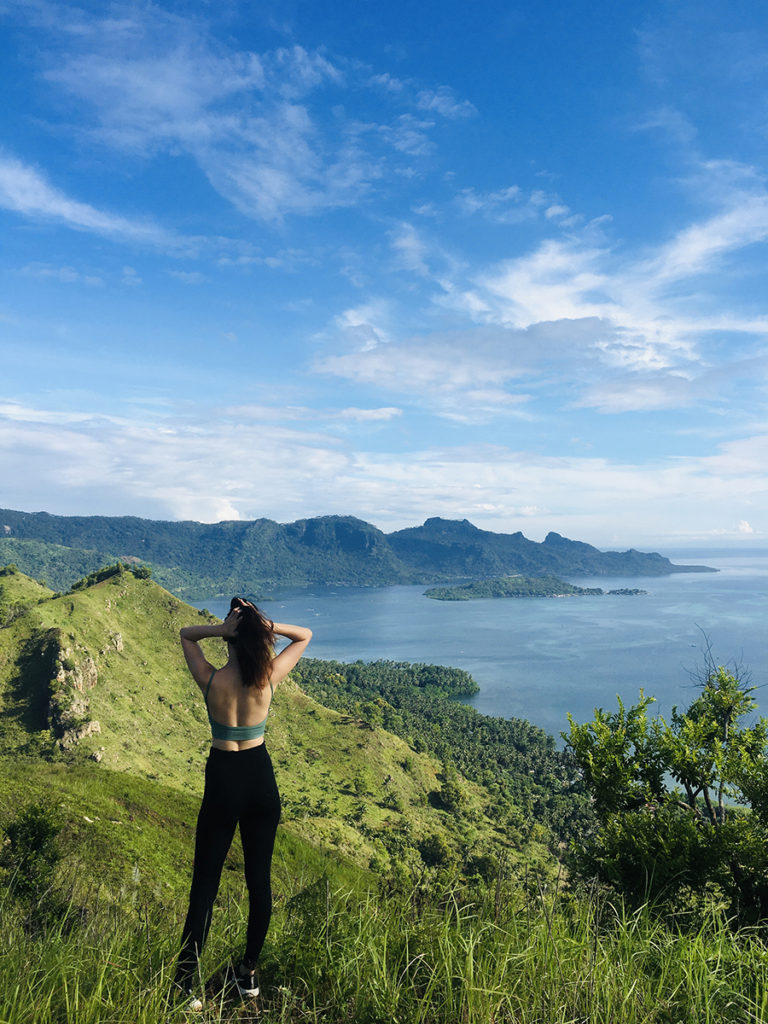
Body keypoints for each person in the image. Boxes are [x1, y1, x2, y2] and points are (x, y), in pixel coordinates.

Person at [174, 597, 312, 1008]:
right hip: (259, 779)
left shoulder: (212, 680)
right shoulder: (267, 677)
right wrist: (263, 625)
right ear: (258, 638)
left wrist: (221, 630)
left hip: (222, 778)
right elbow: (304, 636)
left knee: (204, 887)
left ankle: (184, 985)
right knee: (259, 882)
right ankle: (248, 971)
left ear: (230, 639)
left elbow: (184, 634)